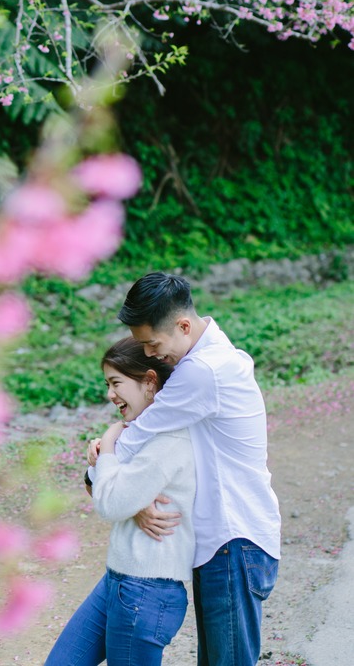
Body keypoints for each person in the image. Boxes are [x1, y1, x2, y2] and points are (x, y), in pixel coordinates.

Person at [115, 272, 280, 666]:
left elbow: (138, 437)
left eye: (152, 343)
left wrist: (100, 464)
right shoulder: (216, 359)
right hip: (228, 543)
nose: (151, 355)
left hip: (233, 541)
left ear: (184, 326)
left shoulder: (203, 371)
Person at [45, 338, 194, 665]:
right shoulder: (139, 431)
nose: (110, 394)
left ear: (150, 381)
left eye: (116, 383)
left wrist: (110, 443)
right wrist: (106, 468)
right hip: (117, 581)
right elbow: (97, 488)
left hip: (146, 590)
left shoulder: (168, 438)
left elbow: (110, 504)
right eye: (108, 384)